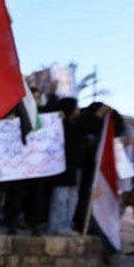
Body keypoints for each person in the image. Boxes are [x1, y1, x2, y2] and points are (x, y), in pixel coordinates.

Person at [47, 97, 85, 235]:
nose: (78, 110)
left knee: (72, 196)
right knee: (61, 196)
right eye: (75, 107)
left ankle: (66, 224)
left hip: (75, 166)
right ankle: (57, 225)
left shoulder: (75, 124)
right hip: (63, 166)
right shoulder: (60, 124)